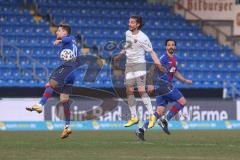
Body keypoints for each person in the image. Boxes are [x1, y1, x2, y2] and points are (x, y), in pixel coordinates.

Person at [26, 23, 79, 139]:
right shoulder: (72, 42)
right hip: (73, 72)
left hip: (67, 69)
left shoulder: (68, 39)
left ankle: (40, 104)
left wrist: (60, 40)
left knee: (51, 83)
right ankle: (67, 126)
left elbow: (67, 38)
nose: (57, 32)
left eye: (59, 31)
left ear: (65, 32)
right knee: (64, 100)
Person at [114, 15, 165, 129]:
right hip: (129, 65)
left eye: (132, 22)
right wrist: (120, 55)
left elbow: (152, 52)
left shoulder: (143, 38)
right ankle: (134, 117)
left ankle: (152, 116)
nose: (129, 24)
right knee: (129, 90)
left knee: (141, 90)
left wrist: (158, 64)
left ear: (137, 24)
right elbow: (127, 46)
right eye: (129, 22)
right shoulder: (127, 33)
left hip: (140, 65)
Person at [136, 39, 192, 141]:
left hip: (160, 88)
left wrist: (184, 80)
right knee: (182, 101)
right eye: (169, 45)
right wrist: (150, 84)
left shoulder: (174, 59)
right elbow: (152, 69)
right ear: (166, 47)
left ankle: (141, 129)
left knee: (159, 112)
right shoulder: (163, 58)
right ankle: (165, 120)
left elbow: (175, 72)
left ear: (175, 47)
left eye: (172, 45)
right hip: (164, 85)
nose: (171, 46)